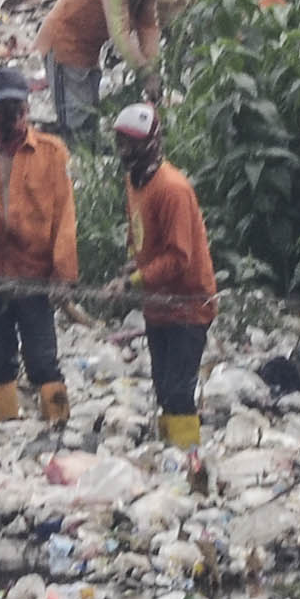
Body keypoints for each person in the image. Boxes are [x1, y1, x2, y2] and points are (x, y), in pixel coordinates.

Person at [0, 68, 78, 427]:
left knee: (42, 359)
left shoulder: (51, 153)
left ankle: (58, 423)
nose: (11, 114)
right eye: (3, 107)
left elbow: (64, 218)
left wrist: (63, 273)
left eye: (17, 106)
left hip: (33, 273)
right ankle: (3, 428)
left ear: (26, 106)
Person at [114, 105, 218, 455]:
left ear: (152, 144)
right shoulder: (134, 182)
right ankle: (169, 456)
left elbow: (178, 257)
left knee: (178, 390)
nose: (126, 152)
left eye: (132, 145)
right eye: (122, 144)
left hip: (188, 304)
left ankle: (189, 458)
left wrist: (134, 282)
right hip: (157, 304)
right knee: (162, 386)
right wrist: (131, 269)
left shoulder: (172, 189)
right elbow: (144, 239)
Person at [37, 0, 181, 134]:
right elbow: (119, 33)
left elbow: (148, 27)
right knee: (73, 122)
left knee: (89, 117)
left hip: (88, 51)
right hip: (63, 45)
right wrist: (144, 72)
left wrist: (153, 68)